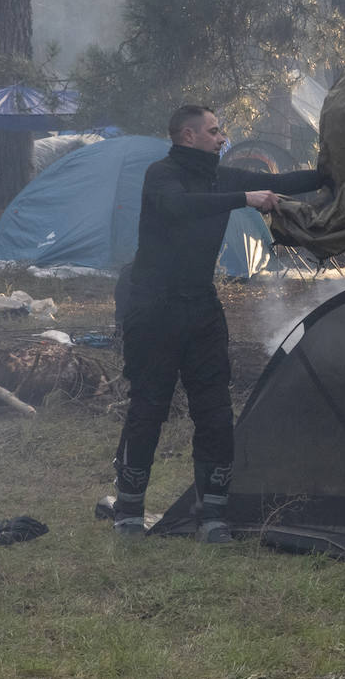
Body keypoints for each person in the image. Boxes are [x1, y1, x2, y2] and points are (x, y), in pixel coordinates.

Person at [111, 105, 323, 541]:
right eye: (214, 131)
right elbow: (177, 209)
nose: (222, 137)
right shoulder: (161, 174)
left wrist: (330, 175)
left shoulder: (219, 176)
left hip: (200, 308)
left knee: (214, 410)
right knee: (148, 406)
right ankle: (128, 512)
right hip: (153, 307)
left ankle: (213, 516)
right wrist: (244, 200)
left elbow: (281, 184)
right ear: (187, 136)